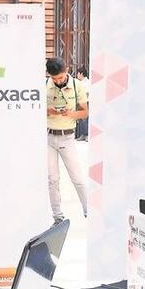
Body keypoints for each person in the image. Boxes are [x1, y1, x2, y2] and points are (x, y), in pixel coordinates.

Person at [46, 56, 88, 224]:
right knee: (52, 179)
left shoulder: (78, 85)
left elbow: (84, 112)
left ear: (66, 71)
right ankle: (57, 216)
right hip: (48, 137)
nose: (58, 81)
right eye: (54, 78)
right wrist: (50, 111)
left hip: (68, 137)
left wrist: (70, 113)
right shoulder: (44, 86)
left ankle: (88, 211)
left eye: (61, 77)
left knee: (77, 178)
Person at [74, 64, 90, 141]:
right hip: (80, 102)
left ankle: (87, 135)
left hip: (85, 102)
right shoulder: (80, 82)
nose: (77, 75)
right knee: (81, 119)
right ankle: (82, 134)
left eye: (78, 73)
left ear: (81, 74)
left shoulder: (87, 82)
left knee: (84, 119)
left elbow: (87, 93)